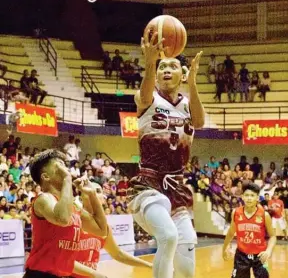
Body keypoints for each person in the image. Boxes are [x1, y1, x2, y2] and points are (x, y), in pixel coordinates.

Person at [128, 30, 205, 278]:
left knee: (186, 260)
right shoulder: (146, 98)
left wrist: (192, 82)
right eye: (162, 67)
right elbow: (145, 93)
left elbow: (200, 122)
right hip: (148, 184)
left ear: (182, 74)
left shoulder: (187, 104)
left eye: (173, 65)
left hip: (178, 186)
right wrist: (150, 62)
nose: (166, 69)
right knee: (168, 236)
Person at [24, 149, 108, 278]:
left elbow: (102, 230)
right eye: (59, 166)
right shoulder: (43, 199)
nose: (65, 169)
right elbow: (63, 218)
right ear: (46, 176)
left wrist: (92, 195)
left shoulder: (72, 206)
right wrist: (67, 179)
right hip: (39, 274)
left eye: (64, 165)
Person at [72, 182, 152, 278]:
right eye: (95, 191)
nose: (97, 194)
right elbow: (62, 260)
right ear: (83, 195)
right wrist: (94, 273)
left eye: (98, 191)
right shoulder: (74, 219)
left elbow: (118, 254)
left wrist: (149, 265)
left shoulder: (104, 228)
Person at [222, 183, 276, 278]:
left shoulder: (264, 215)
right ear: (242, 197)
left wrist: (268, 251)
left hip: (260, 256)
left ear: (257, 198)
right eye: (246, 195)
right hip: (241, 255)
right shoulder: (236, 212)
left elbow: (273, 236)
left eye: (252, 195)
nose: (249, 198)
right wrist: (224, 248)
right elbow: (231, 232)